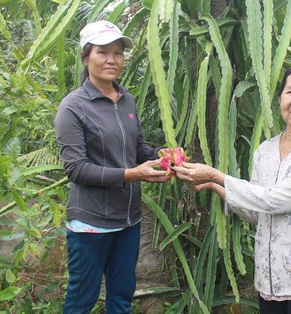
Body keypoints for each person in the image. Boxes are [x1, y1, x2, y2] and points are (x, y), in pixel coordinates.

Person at [174, 62, 291, 314]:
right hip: (272, 277)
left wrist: (217, 175)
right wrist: (213, 185)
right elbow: (257, 212)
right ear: (280, 97)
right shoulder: (265, 151)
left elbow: (277, 200)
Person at [54, 20, 171, 313]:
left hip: (128, 220)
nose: (112, 60)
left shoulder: (126, 99)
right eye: (102, 52)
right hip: (91, 224)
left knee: (121, 298)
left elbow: (136, 148)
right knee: (82, 301)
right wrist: (132, 174)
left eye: (118, 53)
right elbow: (77, 169)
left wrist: (160, 154)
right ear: (85, 56)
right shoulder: (73, 107)